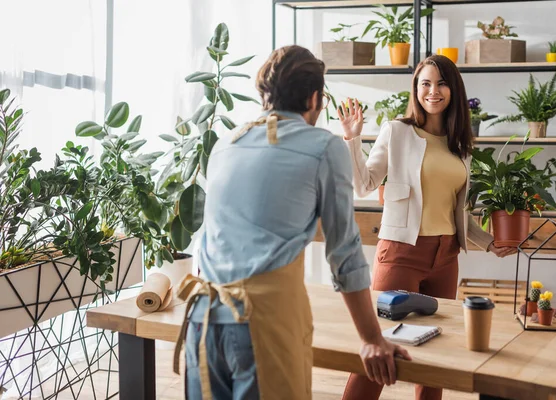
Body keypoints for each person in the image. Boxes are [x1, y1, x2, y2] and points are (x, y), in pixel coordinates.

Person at [174, 45, 412, 400]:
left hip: (203, 321)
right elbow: (344, 254)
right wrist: (372, 340)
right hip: (262, 326)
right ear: (315, 97)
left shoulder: (225, 143)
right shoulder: (323, 146)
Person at [338, 54, 517, 400]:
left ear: (453, 90)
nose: (432, 91)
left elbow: (457, 211)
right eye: (425, 83)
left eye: (441, 83)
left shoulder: (460, 144)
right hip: (401, 253)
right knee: (381, 348)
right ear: (416, 89)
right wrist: (352, 140)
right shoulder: (398, 131)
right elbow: (363, 184)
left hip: (446, 257)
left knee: (436, 352)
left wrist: (489, 243)